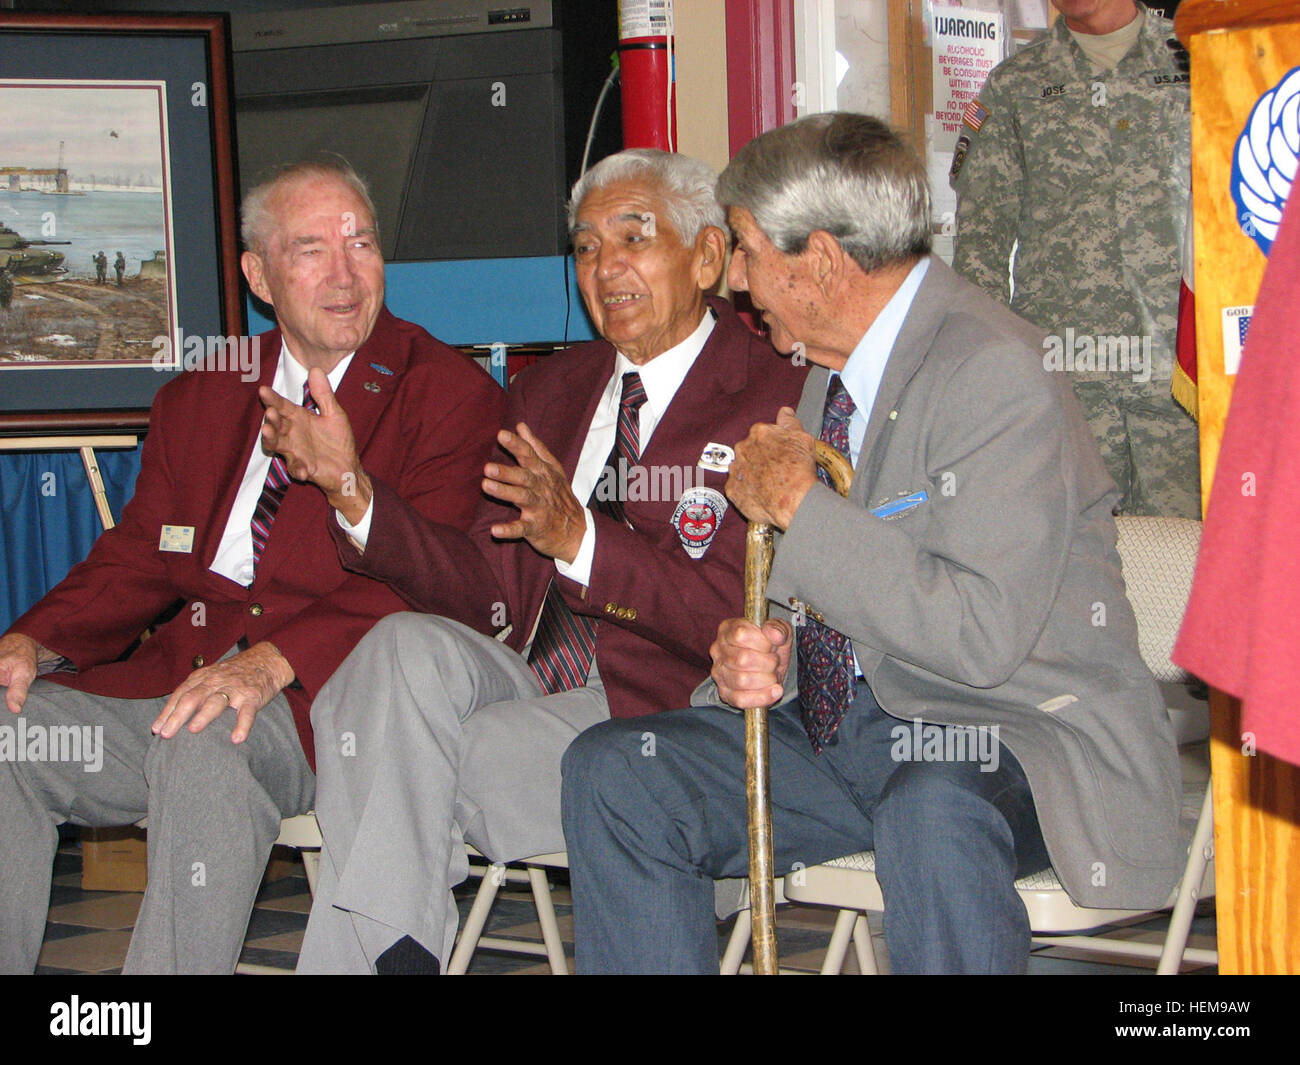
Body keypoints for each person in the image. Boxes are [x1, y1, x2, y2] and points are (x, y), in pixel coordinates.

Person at [560, 113, 1183, 974]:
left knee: (930, 805)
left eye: (744, 251)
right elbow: (820, 601)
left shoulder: (994, 368)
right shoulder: (828, 375)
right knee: (619, 769)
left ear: (817, 260)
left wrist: (798, 508)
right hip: (845, 738)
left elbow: (979, 635)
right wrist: (763, 652)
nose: (735, 281)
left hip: (1005, 736)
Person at [270, 149, 808, 973]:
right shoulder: (550, 392)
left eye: (635, 237)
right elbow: (483, 588)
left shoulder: (774, 392)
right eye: (587, 247)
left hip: (655, 712)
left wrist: (582, 541)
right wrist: (353, 492)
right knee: (394, 652)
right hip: (525, 679)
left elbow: (735, 619)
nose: (607, 267)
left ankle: (392, 956)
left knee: (381, 760)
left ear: (706, 257)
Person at [0, 158, 504, 974]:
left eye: (362, 243)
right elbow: (141, 555)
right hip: (175, 685)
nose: (345, 274)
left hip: (320, 707)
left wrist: (273, 661)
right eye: (311, 249)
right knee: (6, 733)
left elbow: (437, 587)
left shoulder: (446, 393)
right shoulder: (203, 393)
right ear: (258, 275)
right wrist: (35, 641)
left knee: (206, 741)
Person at [950, 0, 1198, 518]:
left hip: (1184, 381)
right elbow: (981, 245)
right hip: (1067, 383)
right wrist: (991, 375)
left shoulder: (1199, 58)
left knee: (1195, 567)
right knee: (1074, 561)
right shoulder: (1016, 84)